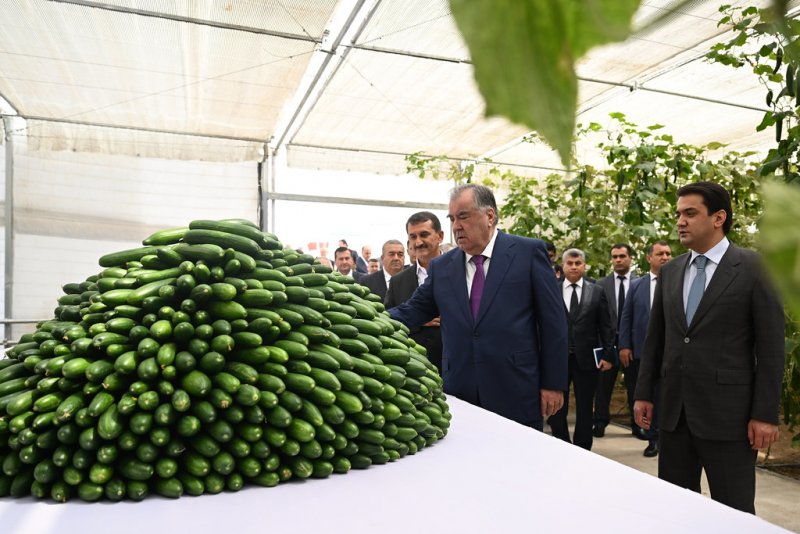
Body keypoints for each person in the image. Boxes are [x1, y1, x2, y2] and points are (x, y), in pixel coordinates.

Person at [633, 181, 784, 514]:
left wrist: (764, 415)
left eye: (690, 213)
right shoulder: (670, 271)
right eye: (678, 214)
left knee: (734, 512)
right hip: (674, 416)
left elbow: (771, 348)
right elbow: (656, 339)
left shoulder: (755, 268)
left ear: (718, 218)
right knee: (675, 510)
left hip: (729, 418)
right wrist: (644, 393)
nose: (680, 221)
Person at [389, 184, 568, 429]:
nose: (456, 226)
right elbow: (411, 311)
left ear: (489, 216)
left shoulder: (527, 253)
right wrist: (362, 319)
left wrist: (553, 383)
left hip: (516, 389)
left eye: (463, 216)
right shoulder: (442, 267)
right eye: (452, 219)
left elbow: (553, 323)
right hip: (460, 391)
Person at [548, 249, 615, 450]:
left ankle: (583, 447)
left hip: (586, 359)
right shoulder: (552, 289)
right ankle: (561, 444)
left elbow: (606, 326)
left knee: (585, 405)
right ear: (563, 265)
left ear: (584, 266)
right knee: (557, 405)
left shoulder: (596, 291)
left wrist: (608, 354)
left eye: (578, 263)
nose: (574, 267)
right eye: (570, 263)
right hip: (558, 359)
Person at [617, 240, 672, 457]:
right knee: (647, 395)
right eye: (660, 254)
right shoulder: (636, 285)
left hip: (671, 352)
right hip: (642, 351)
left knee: (667, 396)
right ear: (649, 258)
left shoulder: (678, 282)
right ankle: (652, 439)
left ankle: (666, 438)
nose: (665, 257)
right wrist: (624, 345)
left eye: (668, 253)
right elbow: (626, 317)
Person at [385, 211, 445, 371]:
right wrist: (419, 320)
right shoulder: (398, 281)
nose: (418, 242)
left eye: (424, 235)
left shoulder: (457, 270)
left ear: (440, 236)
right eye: (413, 237)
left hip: (453, 363)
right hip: (413, 367)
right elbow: (391, 320)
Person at [594, 243, 637, 438]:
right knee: (603, 385)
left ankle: (637, 426)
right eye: (615, 257)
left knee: (634, 385)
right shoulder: (601, 285)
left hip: (632, 343)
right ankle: (600, 422)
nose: (618, 260)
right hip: (608, 343)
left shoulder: (640, 283)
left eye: (622, 256)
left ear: (630, 258)